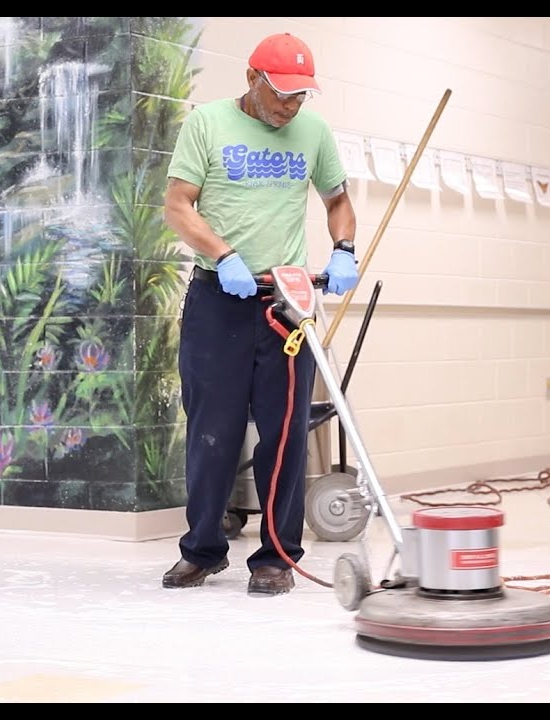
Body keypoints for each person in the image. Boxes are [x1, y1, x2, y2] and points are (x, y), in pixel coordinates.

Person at [160, 32, 360, 596]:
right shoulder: (208, 124)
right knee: (212, 431)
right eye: (281, 93)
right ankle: (202, 550)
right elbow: (178, 204)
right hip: (218, 299)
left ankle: (276, 557)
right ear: (252, 78)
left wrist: (344, 249)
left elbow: (338, 200)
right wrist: (223, 255)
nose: (290, 105)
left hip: (285, 304)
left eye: (300, 95)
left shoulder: (313, 132)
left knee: (285, 433)